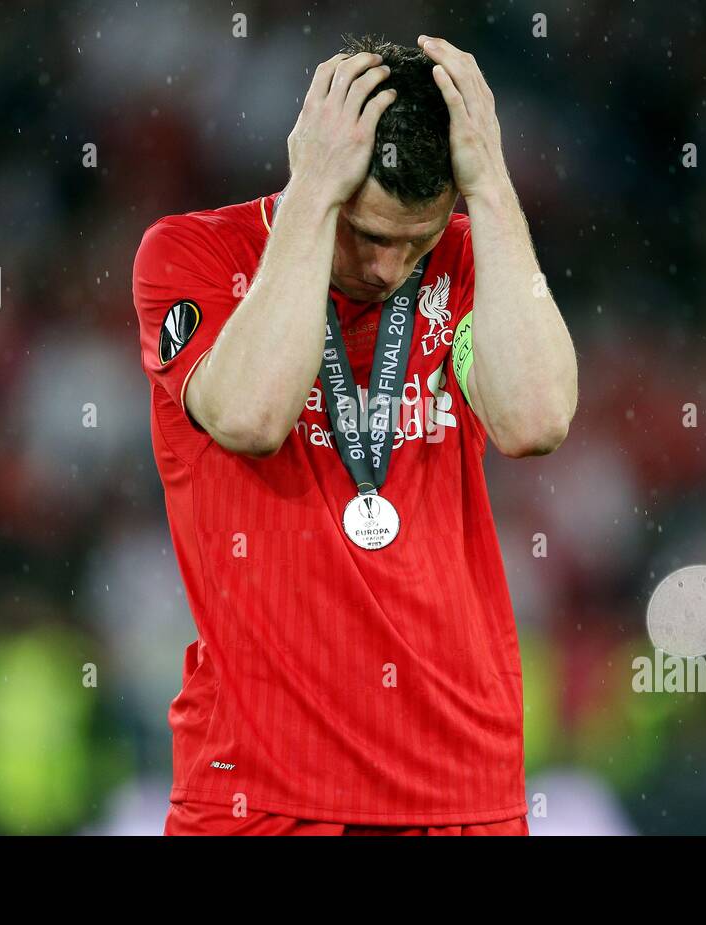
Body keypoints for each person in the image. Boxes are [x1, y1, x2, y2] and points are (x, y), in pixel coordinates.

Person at [132, 33, 577, 835]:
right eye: (366, 233)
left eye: (416, 238)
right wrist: (310, 198)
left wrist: (493, 185)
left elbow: (536, 418)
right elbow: (252, 415)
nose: (387, 266)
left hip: (461, 784)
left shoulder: (469, 265)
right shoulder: (193, 253)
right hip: (261, 791)